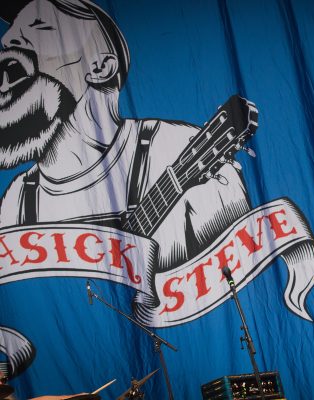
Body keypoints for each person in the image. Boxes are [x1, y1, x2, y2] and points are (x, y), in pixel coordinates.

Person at [0, 0, 250, 271]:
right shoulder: (19, 201)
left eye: (40, 26)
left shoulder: (178, 148)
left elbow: (231, 293)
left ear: (100, 67)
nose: (8, 39)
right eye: (11, 32)